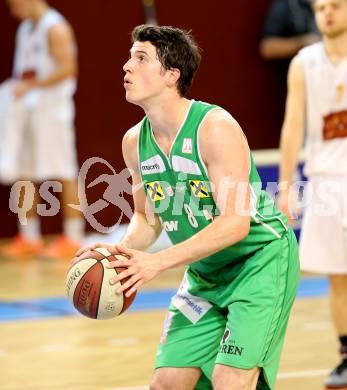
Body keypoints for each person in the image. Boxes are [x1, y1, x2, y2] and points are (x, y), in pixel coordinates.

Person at [76, 25, 300, 389]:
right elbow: (148, 217)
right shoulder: (134, 143)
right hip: (205, 273)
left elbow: (235, 225)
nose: (126, 67)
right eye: (130, 56)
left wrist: (158, 263)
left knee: (231, 381)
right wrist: (120, 253)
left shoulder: (215, 128)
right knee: (166, 383)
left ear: (171, 74)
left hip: (259, 260)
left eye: (141, 58)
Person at [278, 0, 347, 387]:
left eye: (335, 5)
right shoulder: (304, 62)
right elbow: (293, 125)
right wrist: (286, 185)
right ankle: (346, 354)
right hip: (325, 180)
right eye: (321, 8)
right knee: (338, 278)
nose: (327, 13)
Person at [0, 0, 84, 258]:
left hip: (52, 110)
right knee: (23, 172)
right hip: (26, 110)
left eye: (16, 4)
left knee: (64, 171)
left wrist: (33, 85)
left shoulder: (55, 27)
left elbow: (69, 69)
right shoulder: (25, 28)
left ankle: (73, 237)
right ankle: (29, 236)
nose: (13, 11)